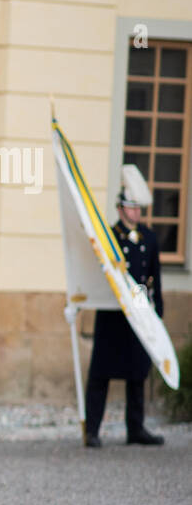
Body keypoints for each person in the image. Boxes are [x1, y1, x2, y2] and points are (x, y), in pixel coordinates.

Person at [85, 177, 164, 447]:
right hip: (113, 308)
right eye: (131, 207)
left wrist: (158, 313)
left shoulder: (149, 238)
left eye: (138, 207)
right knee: (101, 372)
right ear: (120, 209)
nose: (136, 212)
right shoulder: (109, 237)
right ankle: (92, 430)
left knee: (137, 372)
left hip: (139, 307)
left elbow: (154, 276)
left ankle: (136, 428)